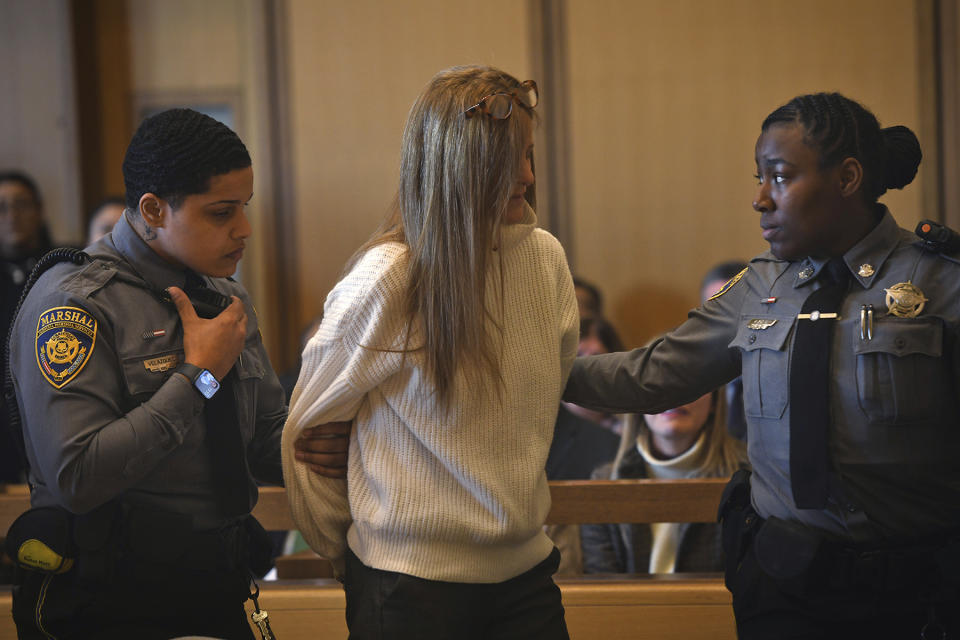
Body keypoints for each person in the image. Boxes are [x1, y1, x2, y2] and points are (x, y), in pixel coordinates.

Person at [563, 92, 960, 638]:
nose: (760, 199)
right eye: (760, 177)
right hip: (782, 587)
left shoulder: (942, 282)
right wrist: (533, 369)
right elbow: (651, 375)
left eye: (779, 177)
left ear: (847, 178)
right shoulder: (759, 286)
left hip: (917, 595)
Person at [5, 108, 347, 639]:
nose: (244, 229)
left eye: (245, 208)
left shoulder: (224, 295)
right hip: (106, 598)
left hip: (216, 580)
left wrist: (331, 442)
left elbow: (261, 440)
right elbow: (77, 476)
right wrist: (200, 375)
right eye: (221, 212)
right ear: (153, 209)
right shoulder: (73, 303)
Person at [282, 65, 578, 639]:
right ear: (457, 167)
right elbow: (306, 435)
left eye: (530, 154)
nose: (527, 174)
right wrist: (354, 550)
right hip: (406, 587)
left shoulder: (546, 260)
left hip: (524, 577)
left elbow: (542, 407)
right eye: (507, 159)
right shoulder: (389, 279)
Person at [580, 389, 746, 574]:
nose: (675, 395)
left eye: (691, 380)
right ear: (639, 404)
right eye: (661, 382)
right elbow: (602, 584)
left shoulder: (747, 477)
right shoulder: (604, 481)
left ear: (715, 401)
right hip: (627, 603)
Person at [0, 171, 54, 486]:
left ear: (39, 210)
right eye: (2, 207)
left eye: (21, 205)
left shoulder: (65, 266)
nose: (12, 216)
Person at [700, 260, 749, 441]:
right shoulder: (694, 377)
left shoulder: (783, 372)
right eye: (715, 311)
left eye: (736, 311)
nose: (726, 323)